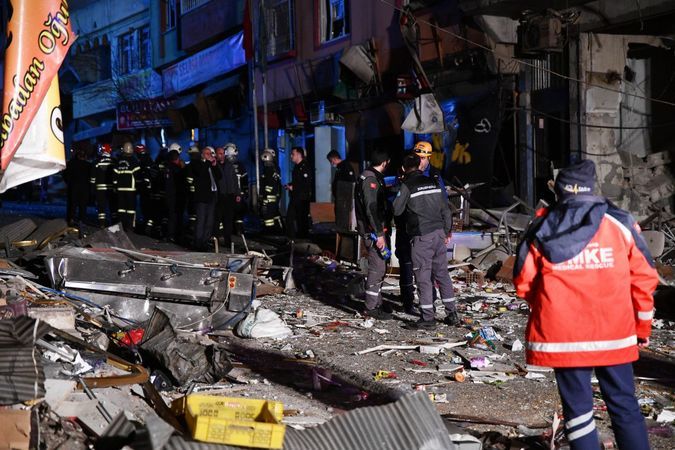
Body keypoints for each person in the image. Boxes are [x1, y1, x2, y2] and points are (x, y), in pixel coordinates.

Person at [513, 160, 658, 450]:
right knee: (625, 406)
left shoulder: (542, 227)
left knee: (578, 414)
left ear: (561, 191)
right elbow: (644, 280)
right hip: (614, 334)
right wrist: (641, 328)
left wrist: (552, 307)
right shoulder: (620, 223)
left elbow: (523, 283)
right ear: (594, 187)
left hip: (563, 338)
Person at [393, 154, 458, 329]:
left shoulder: (407, 185)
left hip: (422, 236)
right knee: (442, 274)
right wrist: (445, 231)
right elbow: (446, 209)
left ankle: (428, 318)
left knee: (423, 276)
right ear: (420, 166)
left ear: (405, 168)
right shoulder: (434, 183)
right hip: (438, 234)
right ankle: (452, 313)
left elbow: (397, 210)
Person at [354, 148, 392, 320]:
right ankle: (370, 307)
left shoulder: (368, 176)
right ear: (384, 163)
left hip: (373, 230)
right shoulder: (371, 180)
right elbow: (371, 208)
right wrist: (379, 234)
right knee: (377, 269)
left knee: (380, 268)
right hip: (373, 232)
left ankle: (377, 303)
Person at [192, 146, 220, 251]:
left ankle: (205, 242)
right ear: (203, 155)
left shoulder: (210, 165)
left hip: (212, 196)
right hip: (202, 198)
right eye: (207, 154)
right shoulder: (197, 164)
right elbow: (200, 173)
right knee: (201, 221)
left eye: (211, 154)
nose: (210, 156)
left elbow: (219, 176)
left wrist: (215, 165)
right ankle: (198, 243)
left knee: (209, 221)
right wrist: (208, 163)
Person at [285, 147, 313, 239]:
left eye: (293, 154)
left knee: (302, 220)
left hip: (302, 198)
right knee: (289, 218)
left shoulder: (305, 167)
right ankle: (292, 238)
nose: (291, 156)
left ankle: (303, 238)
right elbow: (297, 181)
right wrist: (290, 185)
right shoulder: (296, 167)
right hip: (295, 197)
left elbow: (306, 183)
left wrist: (294, 187)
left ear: (299, 155)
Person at [113, 142, 141, 231]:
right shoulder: (134, 161)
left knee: (121, 208)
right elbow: (137, 176)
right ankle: (130, 227)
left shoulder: (119, 161)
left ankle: (121, 226)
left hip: (120, 188)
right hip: (130, 188)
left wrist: (115, 185)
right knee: (131, 209)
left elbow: (114, 175)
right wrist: (139, 186)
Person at [214, 146, 238, 248]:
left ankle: (228, 240)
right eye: (219, 153)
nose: (222, 155)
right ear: (216, 154)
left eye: (223, 153)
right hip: (220, 196)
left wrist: (237, 193)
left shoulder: (229, 166)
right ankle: (216, 240)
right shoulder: (214, 166)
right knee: (217, 219)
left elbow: (235, 181)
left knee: (228, 219)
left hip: (230, 196)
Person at [224, 143, 248, 234]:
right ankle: (238, 229)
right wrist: (245, 191)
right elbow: (244, 179)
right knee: (238, 213)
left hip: (229, 194)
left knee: (230, 212)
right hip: (238, 194)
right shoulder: (240, 166)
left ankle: (232, 230)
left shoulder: (224, 165)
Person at [163, 149, 186, 243]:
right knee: (175, 216)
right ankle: (173, 235)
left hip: (168, 195)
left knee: (169, 216)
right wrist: (183, 168)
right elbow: (182, 181)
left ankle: (169, 234)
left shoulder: (167, 167)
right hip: (176, 196)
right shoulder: (177, 169)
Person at [64, 149, 91, 226]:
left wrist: (68, 183)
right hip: (84, 188)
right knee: (83, 205)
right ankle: (82, 220)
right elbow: (91, 177)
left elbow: (65, 175)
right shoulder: (88, 165)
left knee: (73, 204)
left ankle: (71, 219)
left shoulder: (71, 164)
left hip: (73, 187)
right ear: (85, 157)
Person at [90, 143, 115, 227]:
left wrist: (92, 189)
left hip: (100, 189)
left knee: (101, 207)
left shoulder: (96, 161)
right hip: (111, 188)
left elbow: (93, 177)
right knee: (112, 206)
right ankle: (114, 223)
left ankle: (102, 224)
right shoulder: (114, 161)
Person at [259, 149, 283, 231]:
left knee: (268, 215)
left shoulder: (268, 170)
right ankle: (279, 229)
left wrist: (264, 196)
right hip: (275, 195)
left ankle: (270, 230)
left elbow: (269, 184)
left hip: (269, 196)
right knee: (275, 213)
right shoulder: (275, 168)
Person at [135, 144, 154, 233]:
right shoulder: (149, 159)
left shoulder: (142, 160)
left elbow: (141, 174)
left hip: (145, 189)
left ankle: (147, 226)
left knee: (146, 207)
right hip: (148, 188)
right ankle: (147, 225)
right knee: (147, 208)